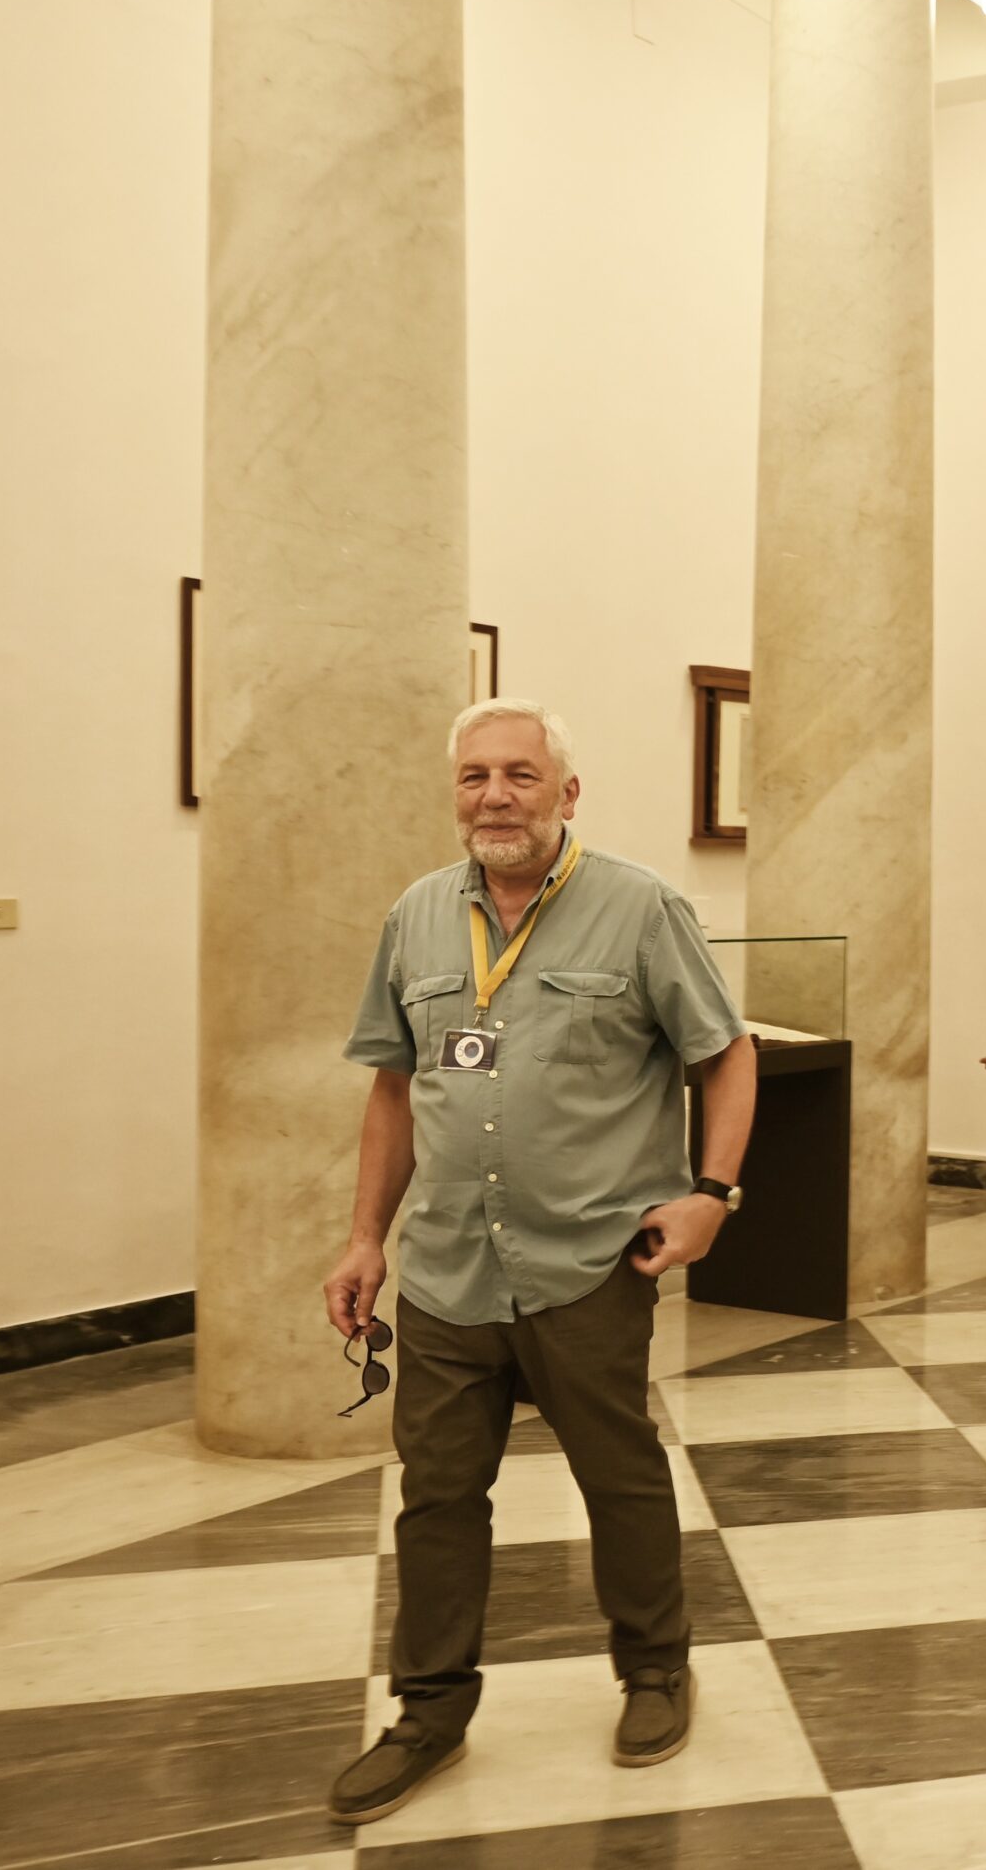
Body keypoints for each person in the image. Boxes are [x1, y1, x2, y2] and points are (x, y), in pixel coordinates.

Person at [323, 700, 757, 1824]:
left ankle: (655, 1670)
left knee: (619, 1474)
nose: (495, 795)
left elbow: (726, 1052)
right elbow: (393, 1086)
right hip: (448, 1266)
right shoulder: (418, 915)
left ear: (566, 792)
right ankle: (429, 1710)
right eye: (475, 775)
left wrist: (711, 1195)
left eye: (520, 774)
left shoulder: (639, 906)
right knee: (437, 1495)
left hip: (590, 1258)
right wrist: (367, 1235)